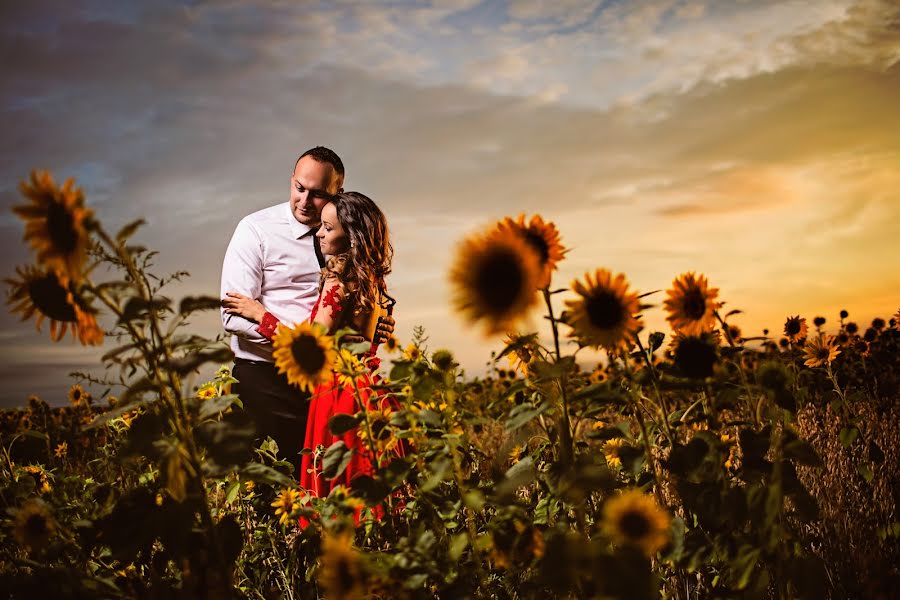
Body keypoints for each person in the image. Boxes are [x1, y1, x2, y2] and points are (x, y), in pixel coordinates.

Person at [220, 148, 392, 469]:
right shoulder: (256, 230)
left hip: (329, 386)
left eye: (317, 195)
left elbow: (335, 329)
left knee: (324, 478)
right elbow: (232, 317)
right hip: (268, 379)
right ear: (291, 180)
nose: (304, 201)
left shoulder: (339, 248)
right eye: (299, 188)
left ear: (336, 195)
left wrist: (359, 330)